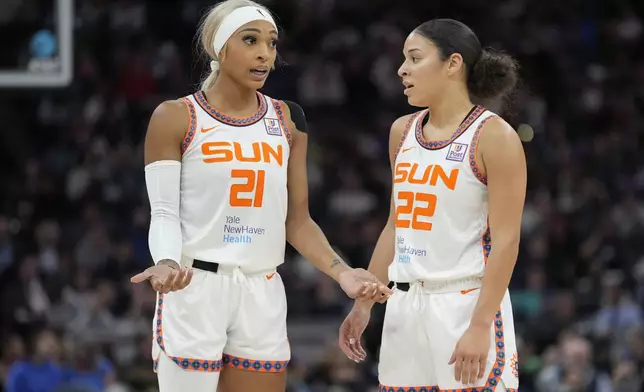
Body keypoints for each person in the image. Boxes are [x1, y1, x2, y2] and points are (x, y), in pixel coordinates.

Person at [128, 1, 391, 391]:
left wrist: (342, 272)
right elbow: (163, 212)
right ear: (220, 47)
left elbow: (297, 221)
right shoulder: (175, 116)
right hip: (195, 284)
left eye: (271, 43)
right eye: (250, 40)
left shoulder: (288, 119)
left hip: (261, 288)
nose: (265, 54)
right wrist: (165, 261)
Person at [338, 19, 526, 392]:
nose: (401, 69)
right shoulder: (401, 131)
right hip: (404, 306)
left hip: (465, 302)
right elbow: (396, 225)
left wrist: (479, 325)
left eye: (414, 58)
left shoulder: (495, 136)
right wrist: (363, 305)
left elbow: (506, 241)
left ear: (453, 64)